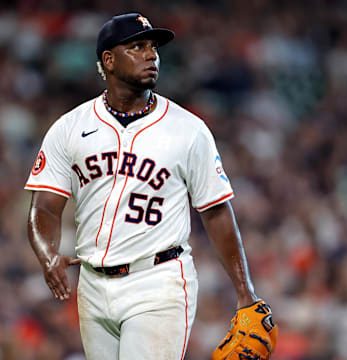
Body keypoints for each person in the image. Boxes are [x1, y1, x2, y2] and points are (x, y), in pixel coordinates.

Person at [26, 13, 277, 360]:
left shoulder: (189, 129)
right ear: (108, 60)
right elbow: (44, 207)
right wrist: (47, 253)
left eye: (153, 48)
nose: (151, 55)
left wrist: (245, 292)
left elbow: (217, 211)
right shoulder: (69, 128)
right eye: (137, 46)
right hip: (93, 285)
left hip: (158, 281)